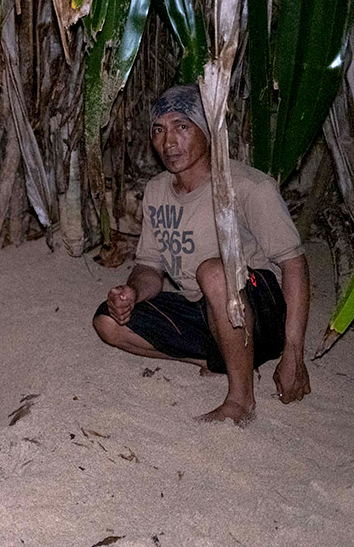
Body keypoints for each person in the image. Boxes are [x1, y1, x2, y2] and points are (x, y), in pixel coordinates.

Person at [93, 85, 311, 427]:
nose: (169, 142)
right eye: (158, 130)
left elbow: (294, 264)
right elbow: (150, 266)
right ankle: (214, 359)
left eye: (182, 126)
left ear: (208, 130)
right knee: (108, 321)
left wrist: (294, 353)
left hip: (260, 316)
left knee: (213, 272)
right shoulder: (157, 190)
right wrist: (132, 291)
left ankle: (240, 400)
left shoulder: (249, 187)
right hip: (204, 310)